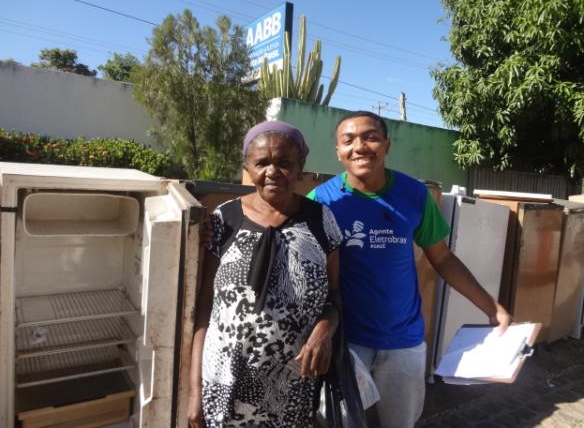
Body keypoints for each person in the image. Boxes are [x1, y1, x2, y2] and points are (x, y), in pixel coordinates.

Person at [307, 110, 512, 428]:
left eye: (370, 137)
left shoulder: (413, 194)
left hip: (404, 342)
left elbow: (442, 258)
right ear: (338, 152)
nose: (360, 146)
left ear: (386, 145)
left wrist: (491, 307)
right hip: (346, 342)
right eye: (349, 141)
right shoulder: (321, 201)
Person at [187, 121, 343, 428]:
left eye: (284, 163)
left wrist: (325, 329)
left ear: (301, 166)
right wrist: (195, 390)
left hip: (293, 385)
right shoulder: (224, 220)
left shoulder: (321, 221)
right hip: (224, 381)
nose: (273, 171)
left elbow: (335, 295)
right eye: (262, 163)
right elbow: (205, 307)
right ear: (247, 166)